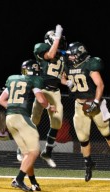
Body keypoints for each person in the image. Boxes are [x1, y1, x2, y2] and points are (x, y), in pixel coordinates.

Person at [61, 41, 110, 182]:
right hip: (79, 105)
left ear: (79, 54)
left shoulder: (90, 64)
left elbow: (100, 85)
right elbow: (62, 77)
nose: (69, 57)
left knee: (105, 131)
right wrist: (66, 82)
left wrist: (95, 102)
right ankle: (88, 164)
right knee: (83, 139)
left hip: (95, 102)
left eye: (72, 55)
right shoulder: (68, 66)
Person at [0, 59, 56, 192]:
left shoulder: (12, 79)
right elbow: (41, 99)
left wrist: (13, 108)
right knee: (35, 151)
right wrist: (49, 107)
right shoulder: (33, 81)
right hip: (21, 118)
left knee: (27, 154)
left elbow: (0, 100)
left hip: (10, 118)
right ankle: (18, 179)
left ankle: (33, 182)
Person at [31, 24, 67, 168]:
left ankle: (47, 151)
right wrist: (57, 37)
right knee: (34, 120)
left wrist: (68, 82)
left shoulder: (62, 57)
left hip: (55, 91)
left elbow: (61, 77)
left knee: (57, 121)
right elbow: (50, 55)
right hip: (41, 90)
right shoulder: (42, 49)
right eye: (57, 38)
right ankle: (23, 147)